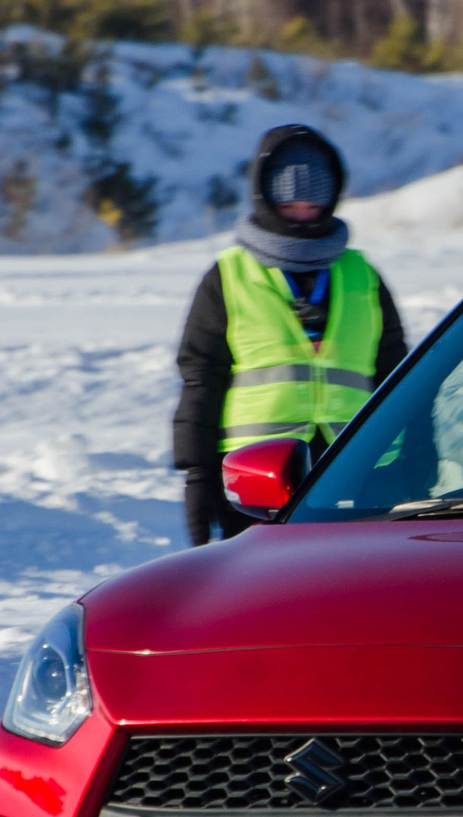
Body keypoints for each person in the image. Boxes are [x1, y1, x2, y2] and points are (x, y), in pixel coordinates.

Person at [173, 125, 407, 543]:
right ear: (264, 196)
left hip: (356, 472)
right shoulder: (228, 276)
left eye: (312, 203)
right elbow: (201, 378)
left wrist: (414, 458)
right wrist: (198, 473)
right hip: (254, 479)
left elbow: (401, 379)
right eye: (288, 203)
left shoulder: (362, 275)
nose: (301, 213)